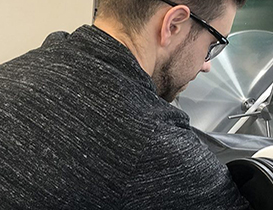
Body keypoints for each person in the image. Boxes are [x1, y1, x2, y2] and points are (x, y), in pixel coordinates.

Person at [0, 0, 250, 209]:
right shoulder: (155, 144)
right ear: (173, 24)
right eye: (213, 45)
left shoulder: (10, 73)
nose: (207, 65)